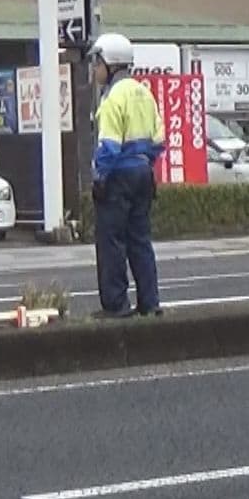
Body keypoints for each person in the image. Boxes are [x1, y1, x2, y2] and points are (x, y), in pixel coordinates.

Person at [89, 32, 164, 318]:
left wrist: (99, 177)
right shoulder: (144, 93)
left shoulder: (112, 99)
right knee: (140, 240)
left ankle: (117, 305)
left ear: (110, 63)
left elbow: (108, 146)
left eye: (97, 62)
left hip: (118, 176)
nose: (94, 69)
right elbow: (159, 141)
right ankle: (150, 303)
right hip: (144, 173)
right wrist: (144, 161)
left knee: (111, 241)